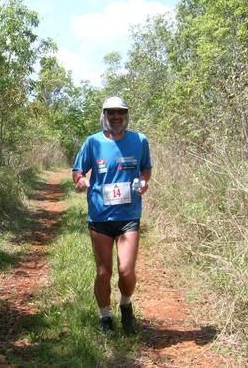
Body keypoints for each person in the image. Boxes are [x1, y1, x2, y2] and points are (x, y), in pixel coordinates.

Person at [72, 96, 152, 337]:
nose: (116, 117)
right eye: (111, 113)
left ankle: (126, 304)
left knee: (126, 271)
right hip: (100, 217)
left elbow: (146, 169)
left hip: (129, 216)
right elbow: (77, 171)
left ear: (126, 115)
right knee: (103, 272)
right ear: (104, 115)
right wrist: (81, 181)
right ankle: (105, 316)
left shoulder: (139, 140)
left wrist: (143, 182)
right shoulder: (92, 142)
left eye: (120, 112)